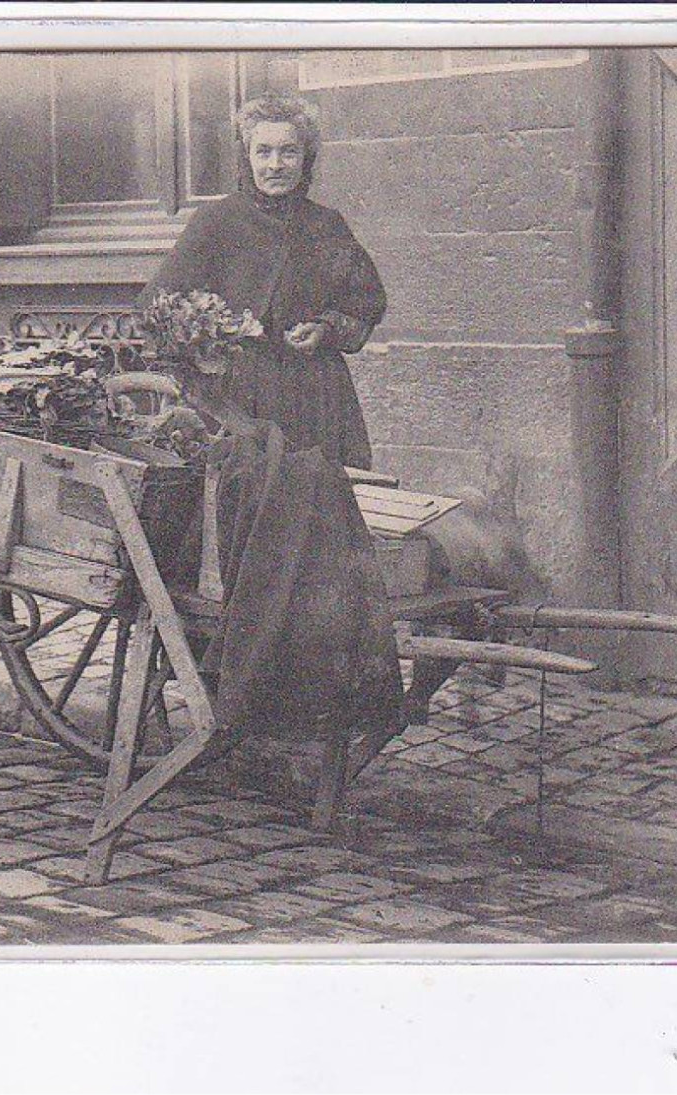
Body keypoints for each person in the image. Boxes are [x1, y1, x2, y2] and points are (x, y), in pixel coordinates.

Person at [142, 93, 405, 764]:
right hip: (233, 399)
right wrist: (218, 331)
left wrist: (327, 329)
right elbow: (161, 309)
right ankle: (224, 680)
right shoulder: (216, 226)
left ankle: (300, 699)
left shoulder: (328, 227)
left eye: (289, 151)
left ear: (306, 157)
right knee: (233, 537)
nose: (276, 164)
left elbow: (363, 308)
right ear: (247, 156)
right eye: (264, 151)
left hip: (311, 398)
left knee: (316, 538)